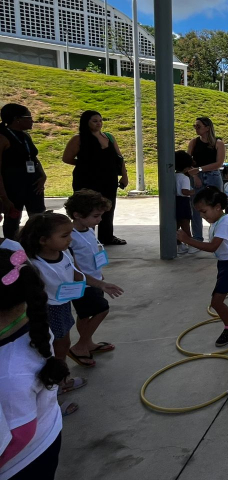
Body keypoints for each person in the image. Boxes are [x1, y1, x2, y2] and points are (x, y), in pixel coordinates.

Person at [0, 247, 70, 479]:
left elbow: (20, 434)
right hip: (47, 429)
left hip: (21, 461)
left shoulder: (10, 373)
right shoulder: (32, 322)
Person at [19, 214, 99, 397]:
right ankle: (55, 384)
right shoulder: (32, 264)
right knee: (52, 347)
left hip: (62, 305)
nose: (70, 239)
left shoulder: (65, 253)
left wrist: (101, 284)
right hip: (46, 310)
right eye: (64, 236)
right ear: (43, 240)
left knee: (63, 343)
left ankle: (60, 378)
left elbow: (77, 274)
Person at [177, 187, 228, 346]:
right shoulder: (218, 219)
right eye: (200, 213)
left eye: (204, 211)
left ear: (217, 207)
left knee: (216, 302)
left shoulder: (224, 223)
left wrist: (187, 240)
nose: (202, 216)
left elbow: (212, 247)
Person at [63, 191, 125, 368]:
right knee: (101, 309)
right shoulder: (70, 236)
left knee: (85, 314)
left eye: (101, 215)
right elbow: (73, 264)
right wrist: (96, 281)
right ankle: (80, 346)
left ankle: (88, 342)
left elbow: (91, 253)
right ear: (77, 215)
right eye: (95, 216)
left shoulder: (88, 229)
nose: (99, 220)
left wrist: (99, 273)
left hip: (94, 278)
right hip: (83, 283)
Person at [62, 110, 128, 246]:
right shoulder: (78, 139)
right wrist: (86, 164)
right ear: (86, 123)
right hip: (87, 179)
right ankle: (87, 237)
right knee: (87, 207)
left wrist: (124, 176)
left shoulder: (109, 137)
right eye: (94, 121)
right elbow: (67, 158)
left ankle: (107, 236)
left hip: (108, 179)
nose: (99, 124)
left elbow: (119, 158)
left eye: (100, 121)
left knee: (108, 207)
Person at [0, 104, 47, 240]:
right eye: (29, 117)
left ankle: (37, 248)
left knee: (39, 218)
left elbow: (32, 157)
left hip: (33, 184)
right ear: (17, 119)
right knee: (13, 218)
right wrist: (4, 197)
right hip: (13, 186)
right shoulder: (3, 137)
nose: (32, 120)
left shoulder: (25, 136)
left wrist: (43, 175)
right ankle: (12, 251)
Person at [187, 117, 225, 241]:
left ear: (207, 128)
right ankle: (197, 238)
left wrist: (200, 169)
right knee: (196, 207)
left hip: (213, 176)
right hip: (197, 177)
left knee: (215, 206)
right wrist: (195, 175)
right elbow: (188, 161)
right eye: (195, 126)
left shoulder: (218, 143)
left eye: (199, 126)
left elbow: (218, 163)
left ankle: (217, 236)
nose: (196, 129)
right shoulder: (194, 142)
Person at [174, 151, 196, 255]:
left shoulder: (173, 176)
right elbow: (184, 191)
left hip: (175, 202)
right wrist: (194, 191)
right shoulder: (185, 178)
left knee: (176, 225)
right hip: (184, 202)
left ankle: (179, 245)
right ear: (186, 168)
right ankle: (191, 245)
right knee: (186, 225)